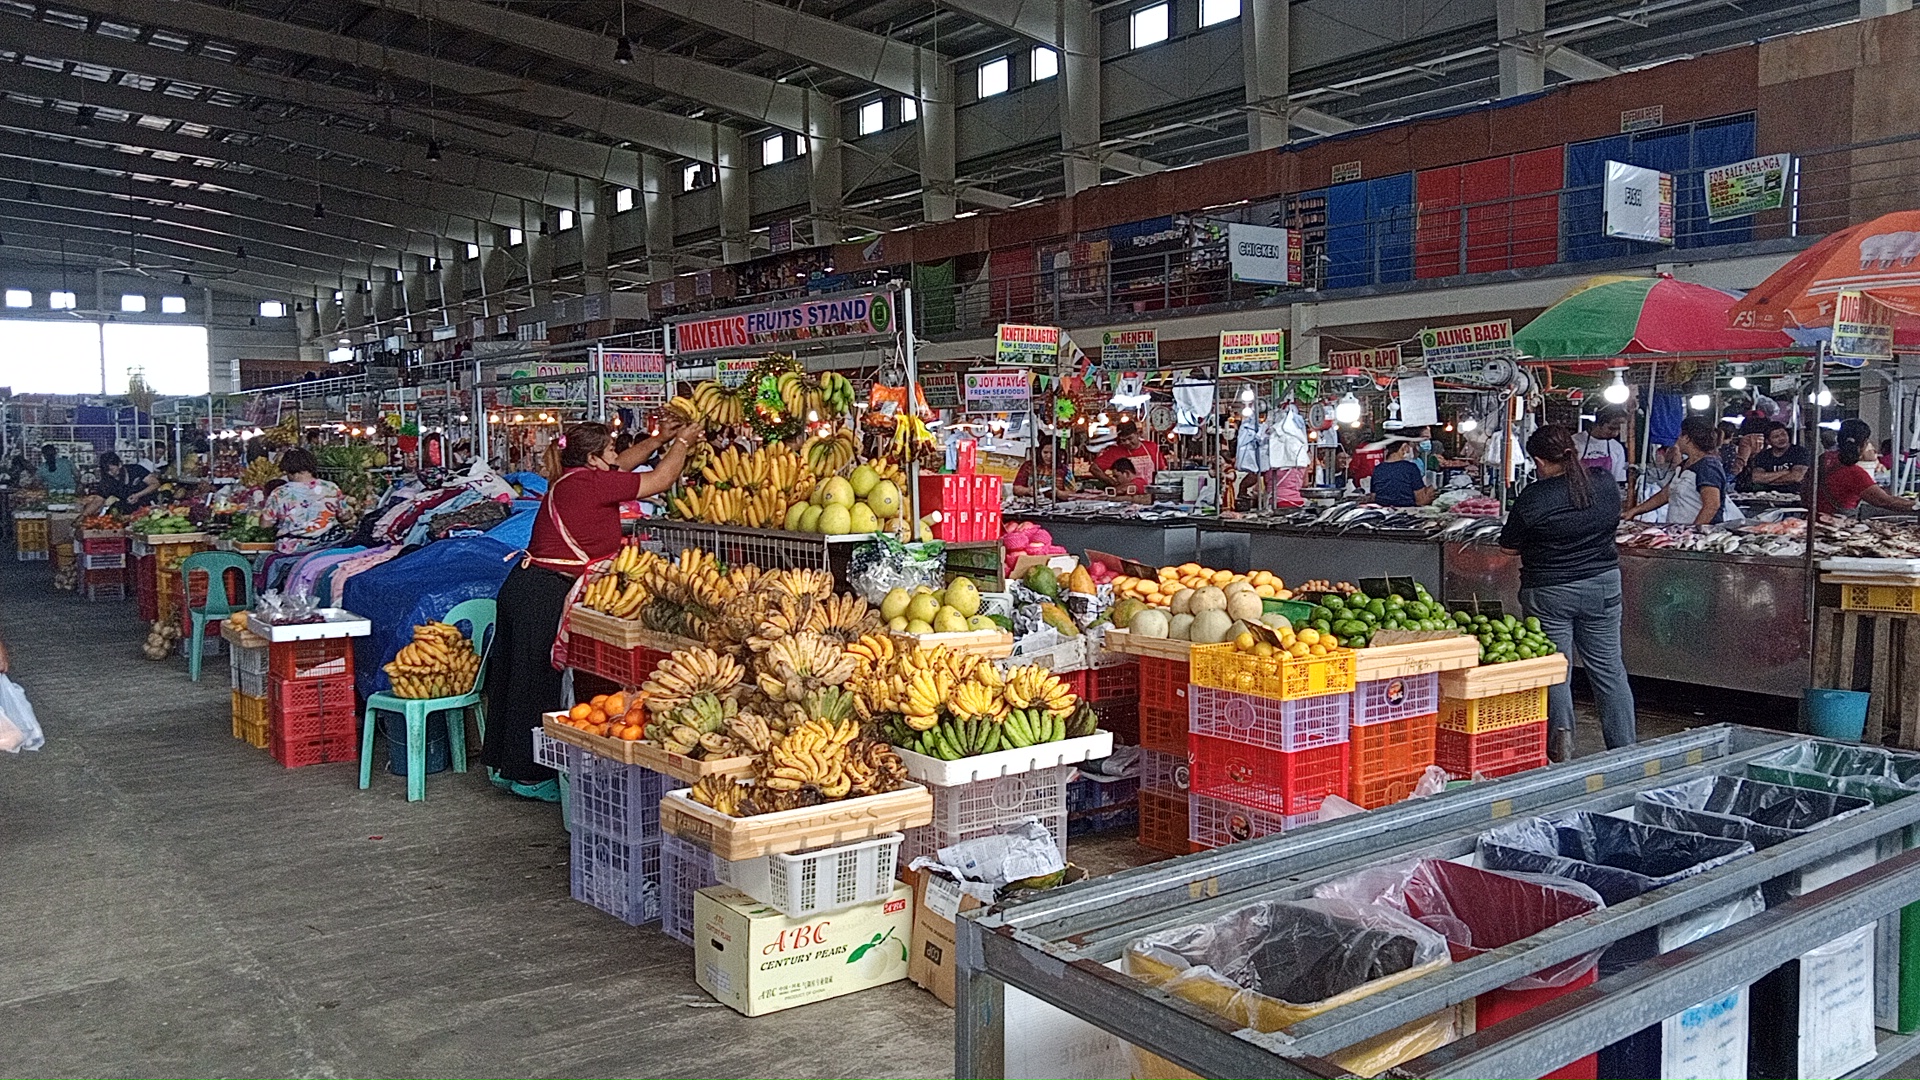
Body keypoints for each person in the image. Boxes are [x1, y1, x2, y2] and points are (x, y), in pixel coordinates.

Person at [482, 421, 699, 801]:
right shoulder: (588, 483)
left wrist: (660, 438)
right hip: (543, 591)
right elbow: (660, 480)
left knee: (512, 676)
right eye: (610, 452)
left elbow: (624, 466)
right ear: (594, 458)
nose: (616, 458)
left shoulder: (575, 477)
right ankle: (528, 774)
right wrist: (682, 442)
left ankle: (504, 764)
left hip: (527, 585)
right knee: (534, 683)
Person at [1499, 424, 1635, 760]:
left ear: (1540, 461)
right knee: (1609, 671)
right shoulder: (1603, 483)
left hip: (1550, 593)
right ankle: (1626, 751)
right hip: (1602, 586)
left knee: (1557, 672)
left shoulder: (1534, 497)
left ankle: (1562, 755)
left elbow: (1507, 549)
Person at [1622, 416, 1732, 526]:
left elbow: (1712, 505)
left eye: (1680, 435)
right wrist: (1634, 511)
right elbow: (1665, 494)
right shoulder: (1684, 465)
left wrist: (1693, 531)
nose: (1677, 439)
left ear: (1687, 438)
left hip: (1698, 538)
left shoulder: (1708, 467)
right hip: (1678, 532)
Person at [1809, 418, 1915, 516]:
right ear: (1865, 443)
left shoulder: (1822, 458)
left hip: (1810, 521)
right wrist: (1916, 505)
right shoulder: (1854, 473)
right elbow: (1884, 501)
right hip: (1836, 526)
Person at [260, 448, 348, 553]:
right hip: (327, 547)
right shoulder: (331, 488)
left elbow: (265, 525)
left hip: (292, 548)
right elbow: (345, 515)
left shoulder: (279, 493)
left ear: (288, 470)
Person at [1091, 420, 1166, 489]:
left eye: (1130, 438)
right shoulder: (1115, 451)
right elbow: (1094, 468)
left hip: (1150, 491)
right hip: (1127, 494)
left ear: (1137, 434)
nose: (1127, 442)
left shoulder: (1152, 447)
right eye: (1123, 440)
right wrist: (1112, 483)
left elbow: (1162, 470)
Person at [1740, 422, 1810, 492]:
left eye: (1783, 434)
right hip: (1766, 495)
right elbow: (1756, 478)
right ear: (1768, 441)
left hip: (1794, 494)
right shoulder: (1763, 456)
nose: (1781, 438)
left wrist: (1768, 480)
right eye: (1776, 437)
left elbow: (1796, 477)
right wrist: (1784, 472)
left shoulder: (1800, 452)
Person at [84, 452, 160, 515]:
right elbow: (98, 500)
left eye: (112, 469)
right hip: (128, 513)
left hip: (149, 508)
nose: (110, 473)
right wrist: (83, 516)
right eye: (106, 471)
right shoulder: (107, 481)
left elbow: (155, 484)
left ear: (119, 464)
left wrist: (138, 495)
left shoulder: (136, 470)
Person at [1366, 437, 1434, 507]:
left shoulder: (1378, 469)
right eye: (1410, 447)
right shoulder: (1410, 468)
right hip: (1406, 512)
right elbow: (1420, 500)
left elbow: (1373, 497)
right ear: (1404, 447)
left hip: (1383, 511)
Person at [1572, 407, 1630, 486]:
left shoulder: (1617, 448)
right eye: (1611, 428)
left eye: (1619, 429)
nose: (1615, 433)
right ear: (1598, 423)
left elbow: (1618, 479)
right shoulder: (1574, 442)